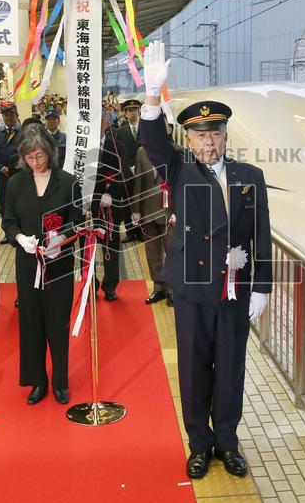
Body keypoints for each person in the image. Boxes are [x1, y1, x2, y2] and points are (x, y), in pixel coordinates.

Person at [138, 41, 272, 479]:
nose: (208, 141)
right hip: (193, 291)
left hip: (234, 292)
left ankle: (227, 443)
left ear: (225, 136)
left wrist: (263, 288)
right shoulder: (178, 170)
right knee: (194, 372)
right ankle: (199, 445)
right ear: (189, 139)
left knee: (231, 372)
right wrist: (152, 97)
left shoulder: (250, 179)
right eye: (199, 134)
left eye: (215, 133)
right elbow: (153, 142)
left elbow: (260, 235)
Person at [1, 129, 81, 405]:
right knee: (31, 323)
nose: (36, 161)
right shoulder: (15, 183)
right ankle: (38, 381)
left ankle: (60, 381)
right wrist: (20, 238)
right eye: (30, 157)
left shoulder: (68, 182)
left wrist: (61, 238)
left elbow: (77, 221)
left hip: (59, 264)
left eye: (40, 155)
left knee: (58, 324)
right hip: (28, 264)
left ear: (50, 153)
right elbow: (9, 221)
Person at [92, 110, 131, 302]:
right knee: (87, 247)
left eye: (101, 118)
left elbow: (122, 175)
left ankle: (110, 286)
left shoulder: (118, 146)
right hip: (87, 206)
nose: (98, 122)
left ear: (107, 122)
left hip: (111, 206)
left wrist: (110, 193)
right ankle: (90, 285)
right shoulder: (81, 146)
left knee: (111, 246)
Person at [132, 142, 172, 305]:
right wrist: (135, 209)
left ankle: (173, 289)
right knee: (152, 251)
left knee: (172, 252)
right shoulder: (142, 152)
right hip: (148, 210)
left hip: (170, 211)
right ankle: (159, 287)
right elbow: (138, 181)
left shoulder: (176, 151)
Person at [116, 100, 142, 243]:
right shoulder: (120, 132)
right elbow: (119, 154)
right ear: (125, 114)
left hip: (142, 172)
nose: (132, 112)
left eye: (135, 109)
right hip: (126, 174)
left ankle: (142, 231)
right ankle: (130, 232)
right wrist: (128, 167)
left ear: (139, 111)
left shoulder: (146, 129)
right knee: (127, 203)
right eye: (129, 110)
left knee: (141, 201)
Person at [0, 104, 21, 228]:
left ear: (17, 116)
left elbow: (26, 153)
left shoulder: (23, 133)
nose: (9, 117)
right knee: (4, 203)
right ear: (2, 117)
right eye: (6, 115)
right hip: (2, 175)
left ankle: (20, 228)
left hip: (20, 174)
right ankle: (7, 231)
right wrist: (1, 168)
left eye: (12, 115)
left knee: (19, 202)